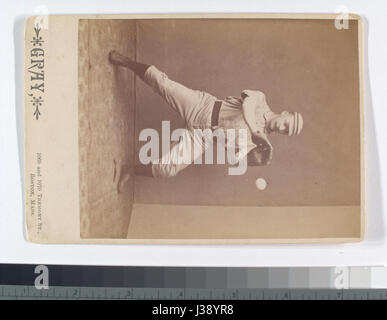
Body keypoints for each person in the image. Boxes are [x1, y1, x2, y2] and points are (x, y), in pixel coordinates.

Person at [109, 51, 303, 182]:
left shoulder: (260, 143)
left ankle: (130, 170)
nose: (283, 128)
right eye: (287, 123)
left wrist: (254, 161)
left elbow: (234, 161)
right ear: (285, 113)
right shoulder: (261, 100)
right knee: (163, 83)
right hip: (203, 106)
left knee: (168, 170)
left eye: (287, 131)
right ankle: (127, 62)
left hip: (203, 139)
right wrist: (255, 131)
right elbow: (247, 104)